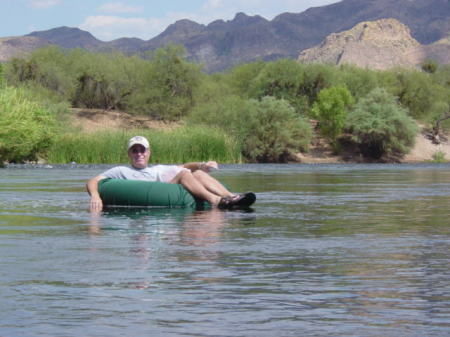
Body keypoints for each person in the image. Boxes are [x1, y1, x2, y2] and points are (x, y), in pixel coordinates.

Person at [86, 136, 255, 211]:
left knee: (195, 173)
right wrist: (95, 196)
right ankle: (217, 201)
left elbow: (183, 165)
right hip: (159, 193)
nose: (139, 154)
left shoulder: (157, 169)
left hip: (166, 189)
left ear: (148, 152)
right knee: (183, 174)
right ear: (129, 154)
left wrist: (203, 165)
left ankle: (231, 197)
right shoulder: (121, 171)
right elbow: (93, 181)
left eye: (142, 150)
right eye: (135, 151)